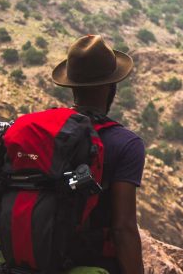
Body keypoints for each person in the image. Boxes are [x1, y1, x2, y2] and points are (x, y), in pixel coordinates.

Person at [51, 34, 145, 274]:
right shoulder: (126, 144)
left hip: (34, 256)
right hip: (92, 264)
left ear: (72, 86)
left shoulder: (46, 130)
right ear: (111, 86)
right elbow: (123, 228)